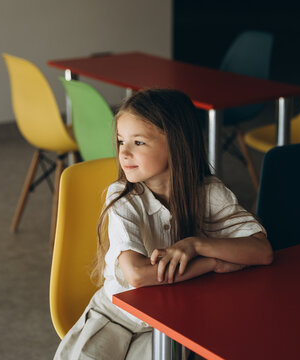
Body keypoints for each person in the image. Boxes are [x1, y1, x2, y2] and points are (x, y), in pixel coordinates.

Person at [54, 89, 273, 360]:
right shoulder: (123, 196)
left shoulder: (209, 192)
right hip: (114, 315)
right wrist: (212, 263)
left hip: (170, 322)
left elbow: (261, 252)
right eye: (121, 141)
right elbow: (136, 275)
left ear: (177, 143)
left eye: (139, 142)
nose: (124, 153)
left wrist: (196, 245)